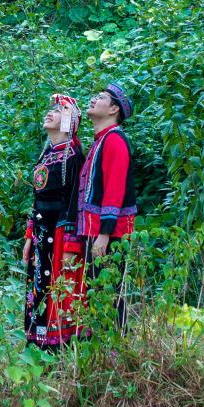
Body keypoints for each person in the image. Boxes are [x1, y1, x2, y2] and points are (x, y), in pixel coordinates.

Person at [22, 94, 87, 349]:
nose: (50, 112)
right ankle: (36, 342)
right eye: (51, 109)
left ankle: (54, 346)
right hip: (40, 231)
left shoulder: (73, 156)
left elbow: (74, 203)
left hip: (58, 232)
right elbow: (36, 198)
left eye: (59, 111)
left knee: (54, 285)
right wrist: (29, 236)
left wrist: (70, 245)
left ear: (69, 121)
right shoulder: (47, 154)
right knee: (37, 284)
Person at [71, 83, 137, 329]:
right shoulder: (101, 140)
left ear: (113, 110)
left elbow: (114, 189)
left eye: (100, 97)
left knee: (109, 291)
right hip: (96, 230)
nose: (93, 99)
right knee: (98, 290)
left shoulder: (115, 140)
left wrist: (104, 233)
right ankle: (107, 343)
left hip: (108, 233)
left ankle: (118, 342)